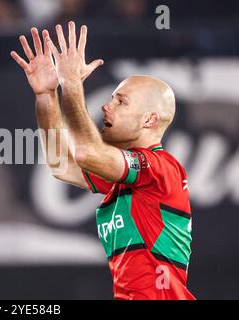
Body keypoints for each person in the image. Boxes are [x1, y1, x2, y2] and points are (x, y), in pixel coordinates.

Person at [10, 21, 195, 300]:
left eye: (121, 102)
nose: (106, 106)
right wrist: (46, 94)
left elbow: (85, 152)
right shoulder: (124, 180)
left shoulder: (160, 169)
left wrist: (71, 84)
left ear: (150, 119)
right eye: (111, 98)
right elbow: (60, 164)